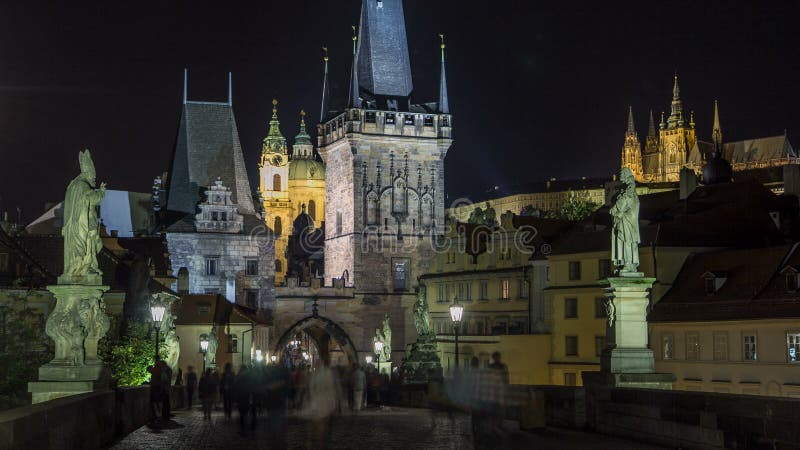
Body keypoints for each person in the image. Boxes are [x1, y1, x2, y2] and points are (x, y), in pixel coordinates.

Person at [304, 360, 337, 449]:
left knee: (320, 428)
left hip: (321, 404)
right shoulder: (316, 375)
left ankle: (318, 444)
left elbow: (330, 389)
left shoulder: (322, 375)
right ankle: (315, 444)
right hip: (316, 404)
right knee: (314, 428)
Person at [264, 362, 291, 449]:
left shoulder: (274, 379)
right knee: (277, 423)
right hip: (277, 403)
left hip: (275, 404)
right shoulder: (283, 379)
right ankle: (278, 440)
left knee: (275, 423)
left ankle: (276, 440)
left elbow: (267, 389)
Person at [234, 366, 253, 435]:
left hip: (241, 397)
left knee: (242, 414)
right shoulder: (249, 377)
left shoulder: (239, 377)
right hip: (246, 397)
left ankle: (243, 429)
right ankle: (246, 428)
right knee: (245, 413)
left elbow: (235, 387)